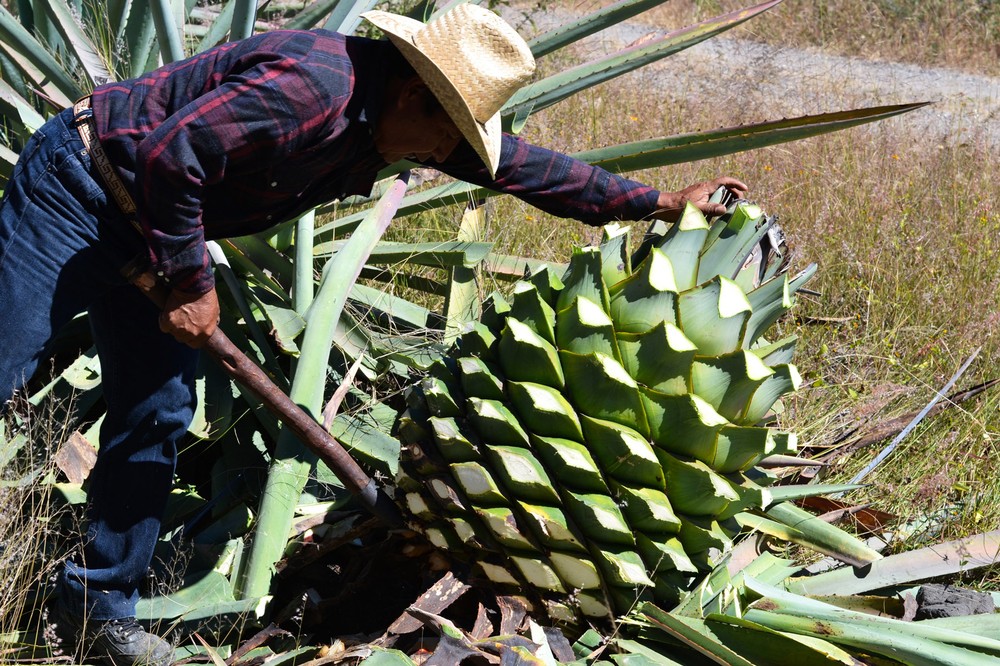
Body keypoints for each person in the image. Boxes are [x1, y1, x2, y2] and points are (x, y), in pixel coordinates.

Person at [0, 4, 747, 665]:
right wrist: (195, 284)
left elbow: (525, 168)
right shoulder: (310, 91)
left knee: (156, 413)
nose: (436, 158)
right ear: (418, 93)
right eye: (441, 137)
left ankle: (98, 612)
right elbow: (173, 153)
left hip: (160, 231)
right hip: (82, 188)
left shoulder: (404, 119)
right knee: (6, 365)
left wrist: (656, 200)